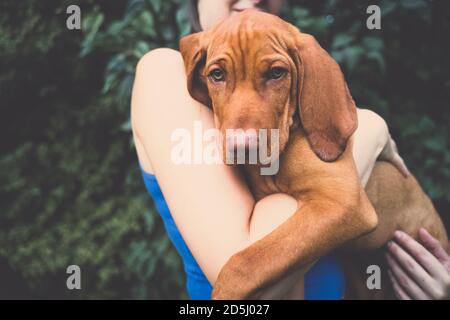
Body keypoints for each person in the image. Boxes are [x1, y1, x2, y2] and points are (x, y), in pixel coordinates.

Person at [131, 0, 450, 299]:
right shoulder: (165, 74)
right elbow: (254, 290)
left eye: (273, 74)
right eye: (218, 74)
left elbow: (350, 213)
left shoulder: (304, 91)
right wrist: (367, 132)